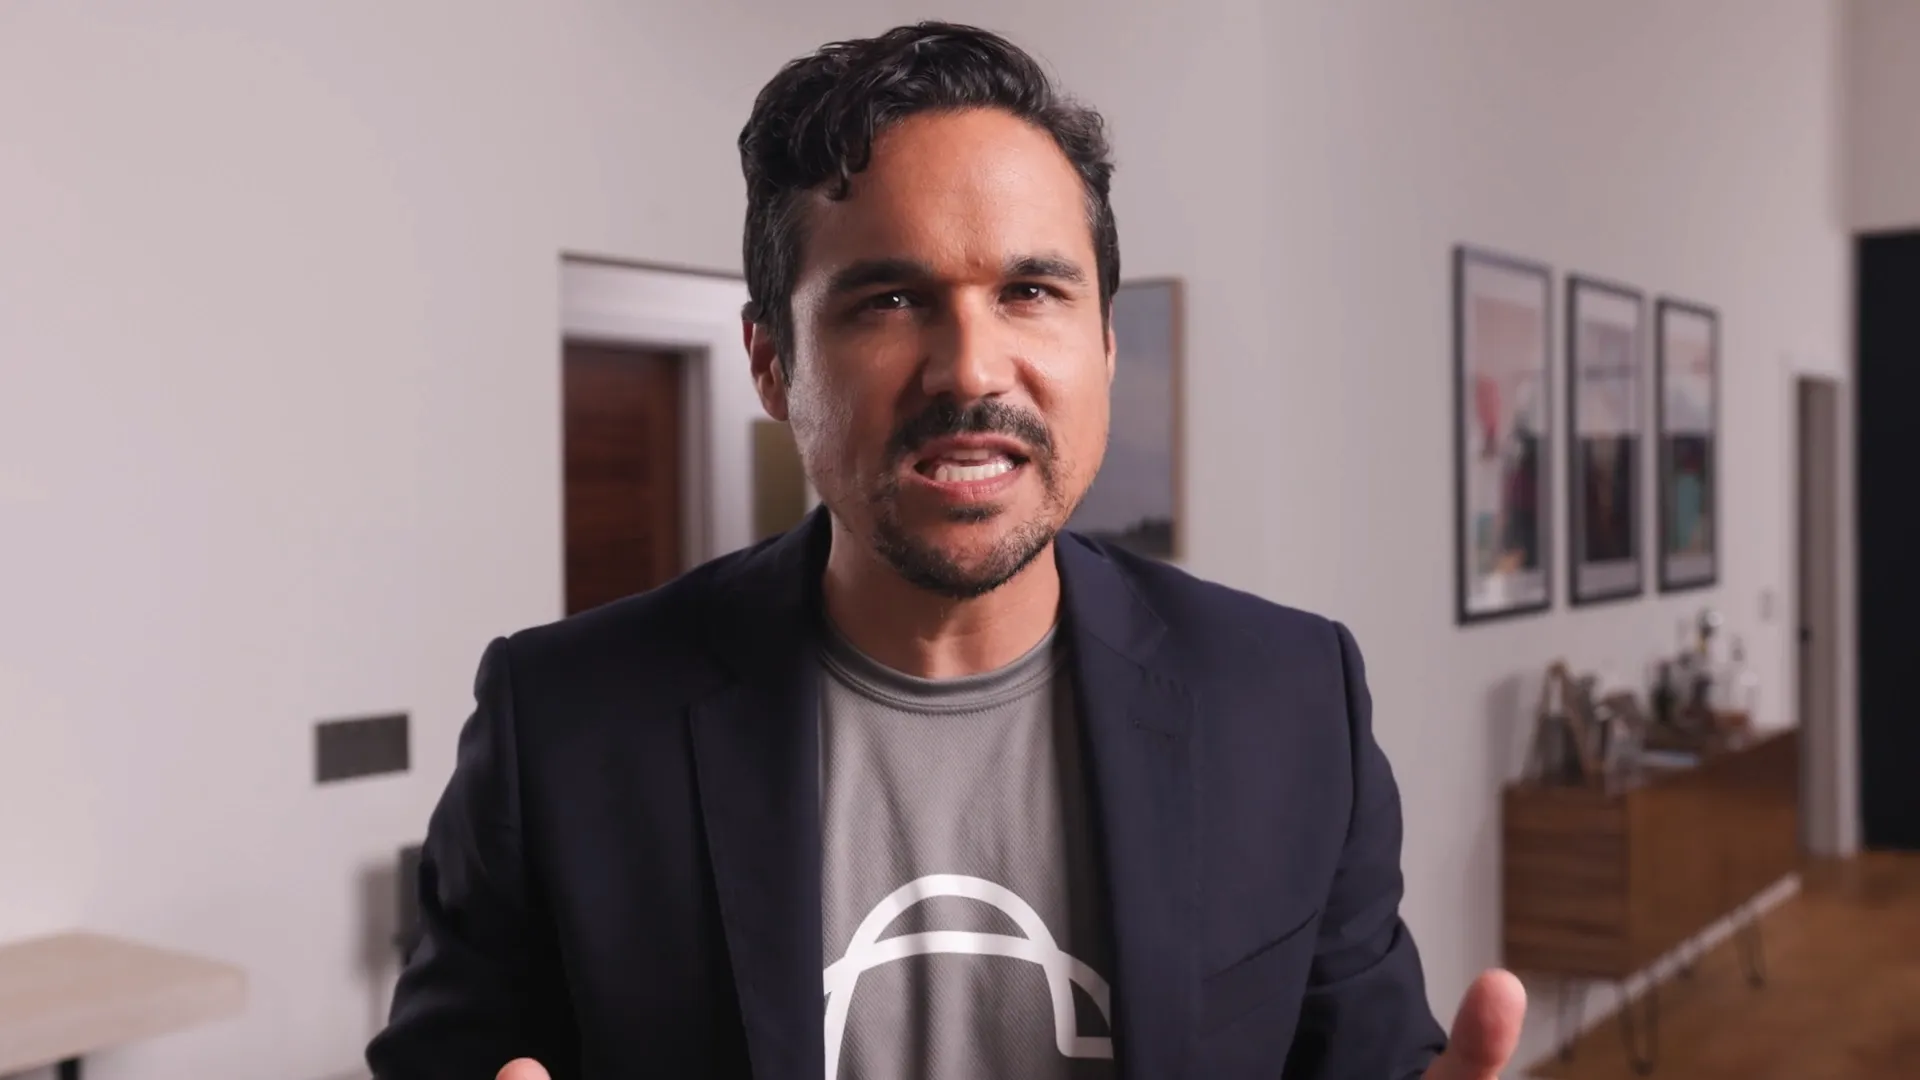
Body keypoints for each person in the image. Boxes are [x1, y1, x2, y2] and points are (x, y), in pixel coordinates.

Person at [366, 21, 1526, 1080]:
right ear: (772, 363)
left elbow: (1359, 1054)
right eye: (888, 299)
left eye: (1031, 290)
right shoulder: (565, 724)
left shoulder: (1289, 700)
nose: (970, 368)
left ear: (1105, 344)